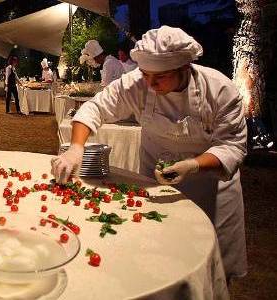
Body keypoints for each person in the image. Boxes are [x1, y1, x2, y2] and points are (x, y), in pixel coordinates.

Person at [51, 26, 247, 281]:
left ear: (184, 68)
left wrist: (192, 165)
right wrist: (77, 148)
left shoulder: (220, 90)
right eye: (146, 75)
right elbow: (95, 108)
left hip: (212, 187)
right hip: (155, 183)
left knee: (209, 270)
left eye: (160, 78)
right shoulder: (139, 83)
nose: (151, 85)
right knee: (158, 261)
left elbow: (233, 146)